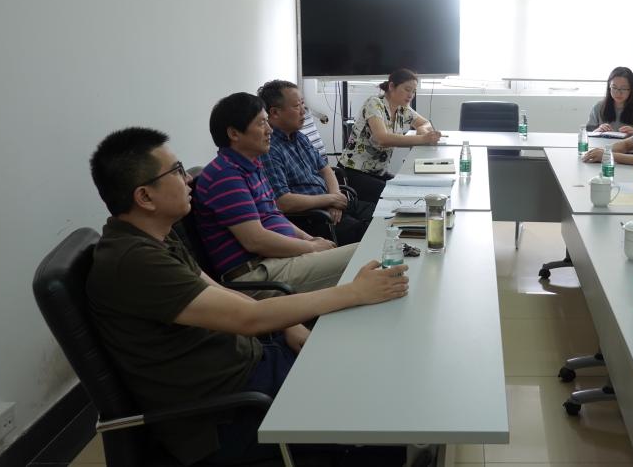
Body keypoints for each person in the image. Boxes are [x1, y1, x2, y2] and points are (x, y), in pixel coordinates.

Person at [87, 127, 408, 465]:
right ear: (145, 197)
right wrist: (353, 292)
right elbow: (248, 319)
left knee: (368, 372)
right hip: (227, 413)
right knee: (375, 420)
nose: (188, 180)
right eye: (177, 171)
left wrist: (287, 324)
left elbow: (221, 293)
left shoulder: (155, 237)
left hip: (251, 364)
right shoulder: (134, 261)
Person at [194, 92, 357, 296]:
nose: (270, 129)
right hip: (257, 274)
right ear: (234, 134)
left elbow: (274, 215)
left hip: (279, 260)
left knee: (363, 255)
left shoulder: (251, 165)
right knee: (366, 255)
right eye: (261, 123)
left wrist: (311, 240)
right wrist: (312, 248)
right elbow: (256, 240)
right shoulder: (225, 175)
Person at [257, 80, 374, 246]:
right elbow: (283, 202)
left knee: (384, 215)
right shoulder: (270, 150)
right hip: (313, 218)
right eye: (297, 106)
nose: (303, 110)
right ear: (275, 113)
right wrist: (329, 200)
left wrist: (334, 197)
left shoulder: (299, 137)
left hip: (331, 205)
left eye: (303, 103)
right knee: (371, 234)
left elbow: (326, 169)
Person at [337, 68, 441, 203]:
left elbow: (425, 123)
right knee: (398, 196)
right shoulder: (374, 103)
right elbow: (382, 139)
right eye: (407, 89)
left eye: (414, 91)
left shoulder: (403, 109)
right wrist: (422, 139)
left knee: (410, 189)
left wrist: (422, 129)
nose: (411, 95)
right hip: (353, 173)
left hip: (377, 173)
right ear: (392, 86)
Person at [585, 66, 633, 135]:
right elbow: (588, 133)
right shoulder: (598, 107)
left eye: (624, 89)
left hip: (629, 142)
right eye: (614, 88)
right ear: (609, 87)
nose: (618, 93)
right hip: (603, 142)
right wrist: (597, 131)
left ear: (631, 89)